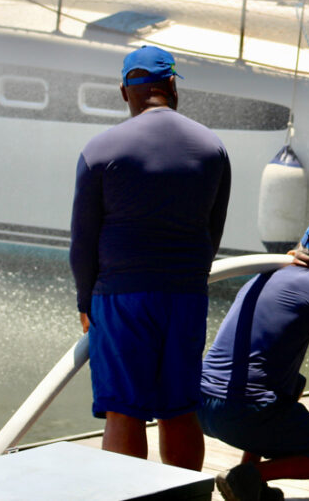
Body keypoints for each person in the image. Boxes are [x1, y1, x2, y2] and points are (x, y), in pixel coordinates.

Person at [70, 45, 232, 470]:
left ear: (125, 92)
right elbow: (212, 231)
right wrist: (189, 277)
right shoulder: (212, 148)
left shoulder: (100, 150)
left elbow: (82, 242)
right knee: (179, 409)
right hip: (186, 295)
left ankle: (128, 498)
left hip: (121, 296)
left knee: (124, 411)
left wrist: (85, 302)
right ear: (172, 85)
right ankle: (187, 497)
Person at [200, 218, 309, 501]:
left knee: (292, 383)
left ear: (300, 247)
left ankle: (252, 487)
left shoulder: (262, 276)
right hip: (243, 415)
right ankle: (248, 475)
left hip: (199, 405)